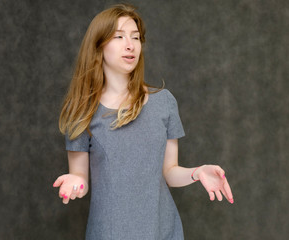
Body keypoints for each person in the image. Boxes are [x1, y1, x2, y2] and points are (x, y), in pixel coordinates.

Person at [53, 3, 234, 239]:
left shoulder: (164, 102)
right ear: (98, 45)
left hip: (162, 231)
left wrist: (197, 172)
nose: (130, 45)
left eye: (136, 38)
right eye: (119, 36)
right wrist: (74, 183)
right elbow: (81, 180)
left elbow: (169, 171)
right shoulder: (82, 110)